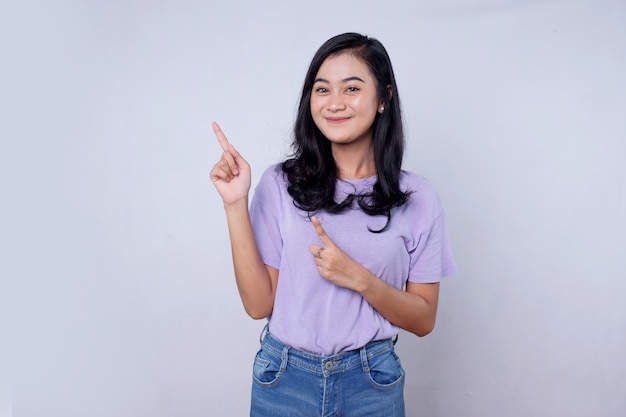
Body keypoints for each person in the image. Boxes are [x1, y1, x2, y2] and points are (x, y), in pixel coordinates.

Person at [210, 32, 456, 417]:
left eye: (352, 88)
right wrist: (235, 204)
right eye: (322, 89)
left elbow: (424, 320)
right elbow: (259, 305)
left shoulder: (419, 198)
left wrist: (360, 279)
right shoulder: (279, 185)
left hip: (371, 382)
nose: (335, 103)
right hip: (285, 379)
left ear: (383, 99)